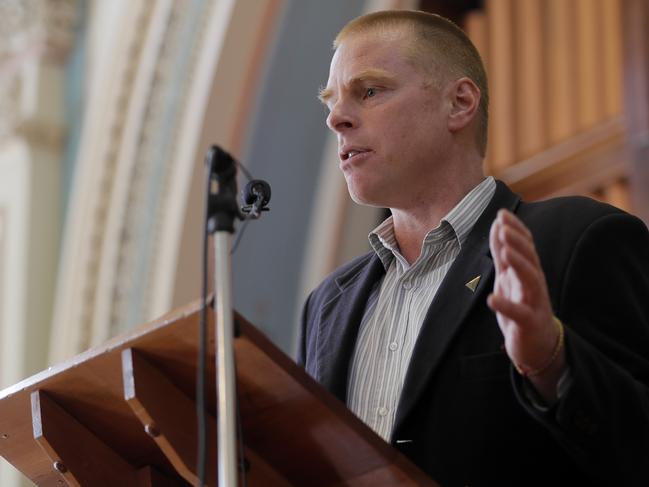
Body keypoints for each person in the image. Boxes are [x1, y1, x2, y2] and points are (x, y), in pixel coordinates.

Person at [297, 9, 649, 487]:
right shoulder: (326, 304)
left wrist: (552, 362)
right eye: (330, 102)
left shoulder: (578, 238)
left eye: (370, 91)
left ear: (459, 103)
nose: (337, 118)